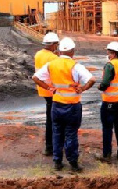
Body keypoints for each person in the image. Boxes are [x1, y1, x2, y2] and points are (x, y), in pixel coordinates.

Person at [32, 37, 96, 172]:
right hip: (72, 106)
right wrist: (82, 88)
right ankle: (73, 163)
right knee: (71, 134)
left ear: (60, 51)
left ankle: (57, 161)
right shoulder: (76, 66)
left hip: (56, 105)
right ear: (72, 51)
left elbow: (35, 77)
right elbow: (92, 79)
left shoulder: (52, 64)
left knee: (57, 133)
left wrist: (49, 88)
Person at [34, 32, 60, 156]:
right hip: (52, 91)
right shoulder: (53, 58)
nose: (57, 47)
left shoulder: (38, 54)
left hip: (43, 89)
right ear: (53, 44)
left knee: (49, 118)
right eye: (57, 44)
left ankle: (49, 147)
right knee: (54, 121)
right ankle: (51, 147)